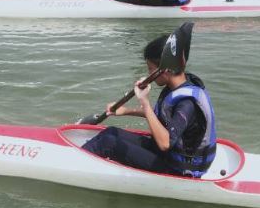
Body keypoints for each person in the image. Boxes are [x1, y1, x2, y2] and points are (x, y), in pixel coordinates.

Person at [82, 33, 216, 177]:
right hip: (168, 153)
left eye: (151, 69)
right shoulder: (179, 85)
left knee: (107, 143)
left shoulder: (187, 103)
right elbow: (163, 116)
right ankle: (83, 155)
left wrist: (144, 101)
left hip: (178, 169)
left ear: (165, 70)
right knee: (111, 132)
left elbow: (165, 143)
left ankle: (75, 162)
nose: (148, 74)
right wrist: (125, 110)